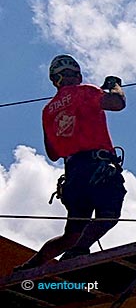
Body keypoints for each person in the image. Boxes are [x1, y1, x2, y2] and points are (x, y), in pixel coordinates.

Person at [14, 55, 127, 272]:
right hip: (98, 168)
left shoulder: (48, 110)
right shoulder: (85, 91)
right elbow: (117, 103)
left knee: (71, 234)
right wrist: (115, 86)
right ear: (77, 75)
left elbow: (53, 153)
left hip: (73, 175)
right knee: (108, 214)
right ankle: (77, 252)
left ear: (55, 80)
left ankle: (30, 267)